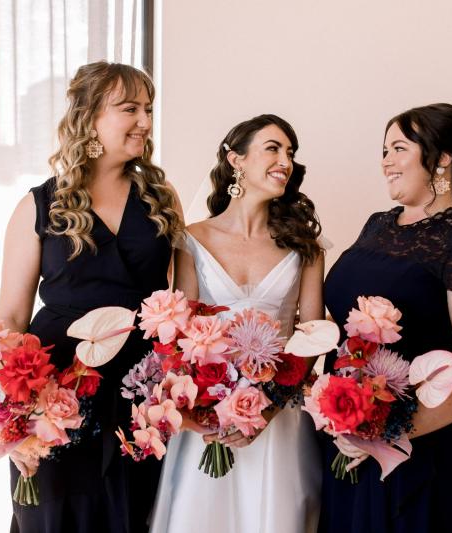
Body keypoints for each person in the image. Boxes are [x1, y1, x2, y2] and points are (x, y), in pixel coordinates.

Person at [0, 61, 183, 533]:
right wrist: (8, 417)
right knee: (57, 515)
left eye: (148, 109)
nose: (145, 121)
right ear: (90, 117)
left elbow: (180, 300)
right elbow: (12, 314)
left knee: (133, 512)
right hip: (56, 393)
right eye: (130, 109)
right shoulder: (39, 205)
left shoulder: (161, 199)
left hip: (139, 392)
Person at [320, 103, 452, 532]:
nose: (385, 160)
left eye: (399, 148)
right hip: (347, 433)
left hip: (421, 441)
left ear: (441, 157)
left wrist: (387, 433)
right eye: (383, 149)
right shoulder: (377, 225)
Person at [150, 114, 324, 533]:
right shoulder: (191, 240)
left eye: (290, 152)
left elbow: (313, 337)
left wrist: (267, 409)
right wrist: (204, 411)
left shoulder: (306, 246)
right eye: (273, 148)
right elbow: (182, 334)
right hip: (208, 422)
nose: (285, 160)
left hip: (279, 421)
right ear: (236, 160)